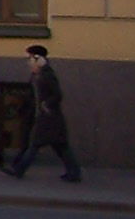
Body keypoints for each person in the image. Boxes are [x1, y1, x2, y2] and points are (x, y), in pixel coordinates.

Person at [6, 45, 80, 182]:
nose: (28, 61)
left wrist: (46, 104)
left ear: (38, 58)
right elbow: (32, 94)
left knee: (35, 144)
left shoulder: (47, 75)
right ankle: (74, 173)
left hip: (49, 117)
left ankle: (19, 169)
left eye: (30, 57)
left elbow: (57, 94)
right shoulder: (37, 75)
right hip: (45, 116)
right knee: (60, 146)